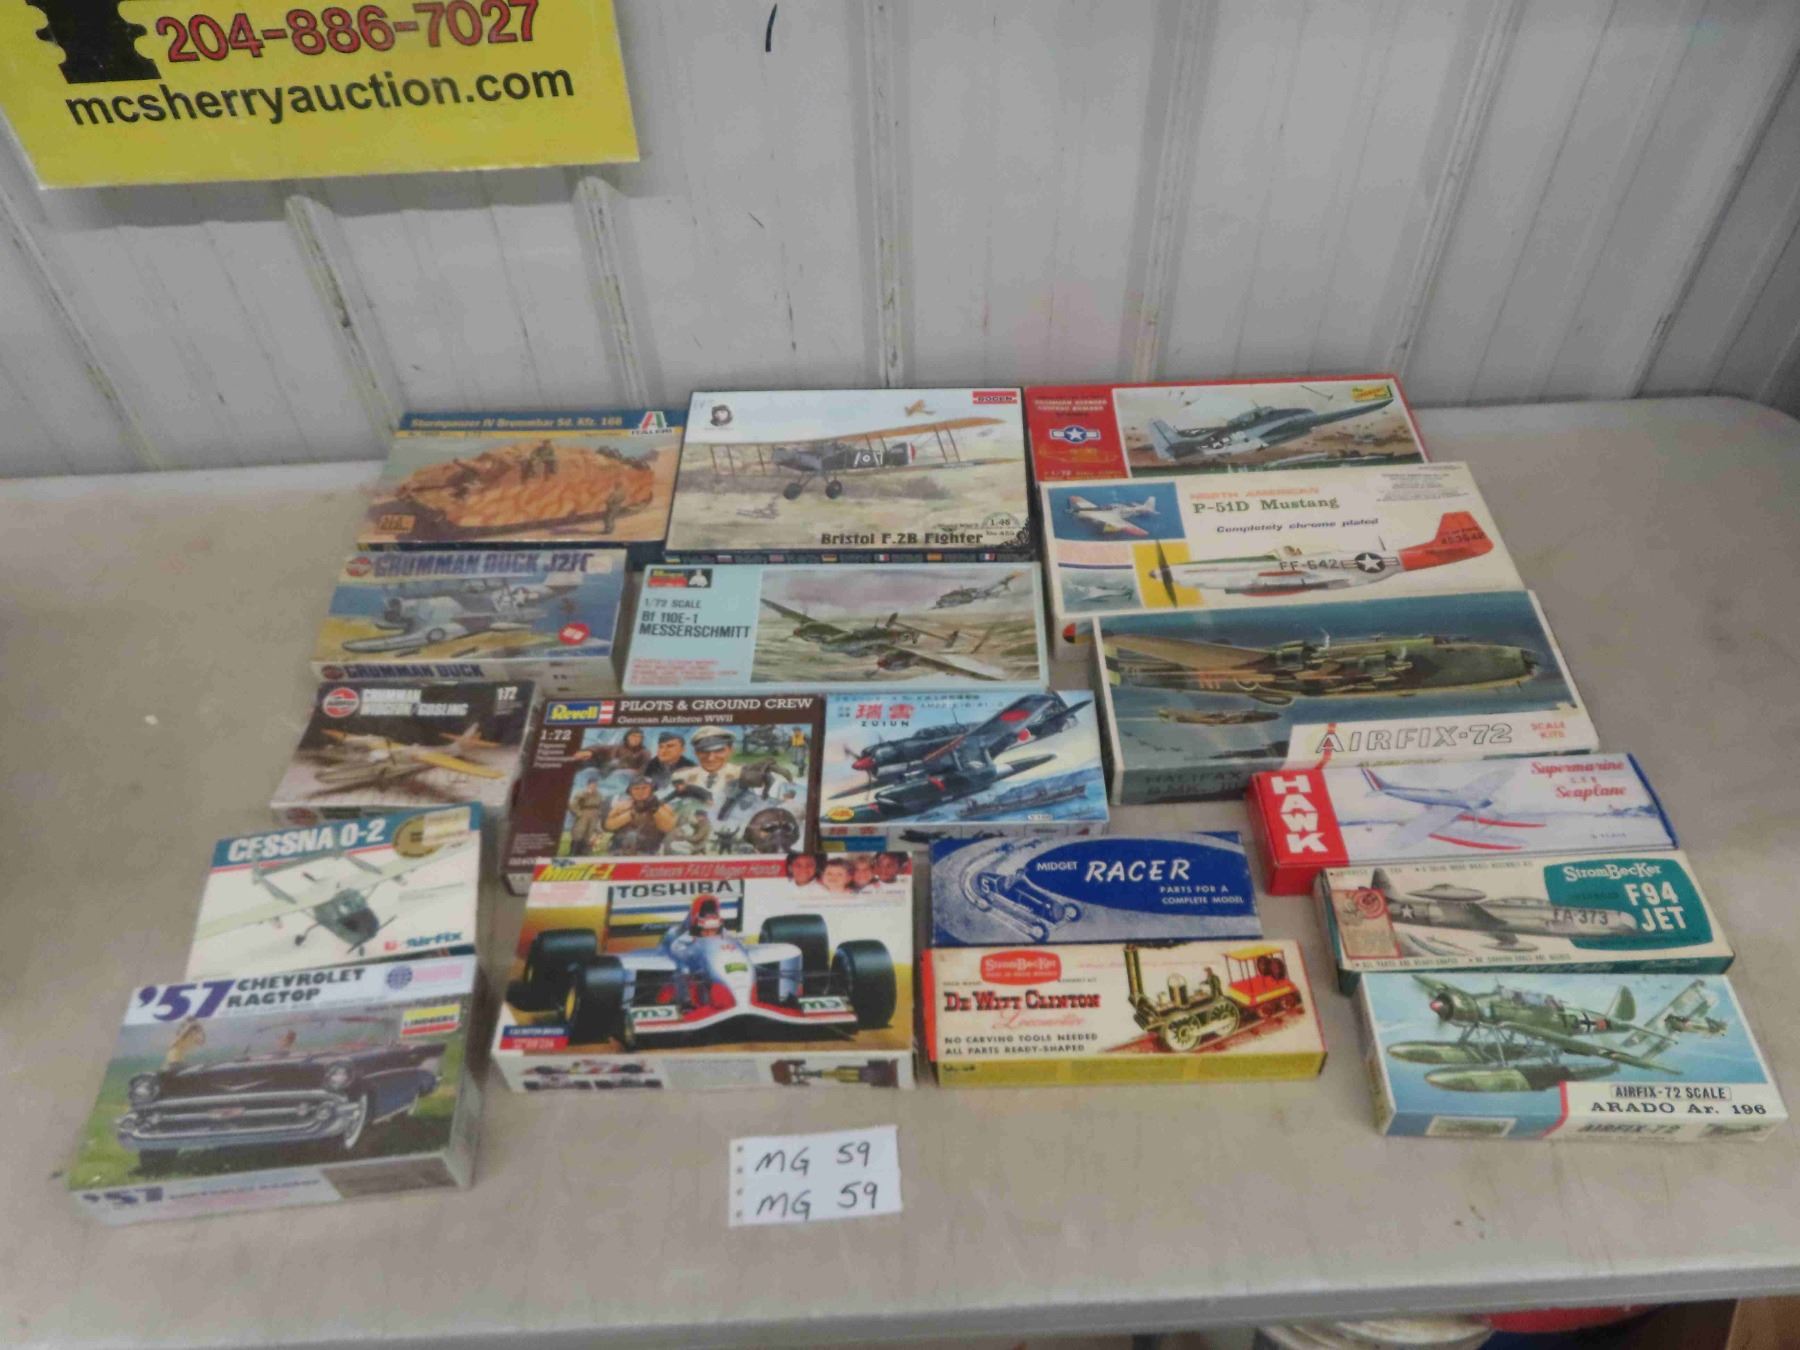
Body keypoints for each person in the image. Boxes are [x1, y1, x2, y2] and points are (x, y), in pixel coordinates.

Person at [604, 778, 676, 854]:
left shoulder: (663, 807)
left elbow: (669, 828)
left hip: (652, 849)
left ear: (651, 790)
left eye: (644, 788)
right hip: (623, 849)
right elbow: (609, 826)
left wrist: (655, 810)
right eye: (636, 789)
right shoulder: (622, 806)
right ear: (630, 791)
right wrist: (632, 814)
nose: (640, 792)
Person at [675, 726, 742, 800]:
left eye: (718, 751)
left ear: (731, 751)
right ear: (696, 753)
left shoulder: (742, 775)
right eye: (704, 752)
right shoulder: (681, 776)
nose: (710, 758)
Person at [567, 775, 607, 853]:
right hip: (584, 814)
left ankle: (585, 851)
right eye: (592, 784)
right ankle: (574, 851)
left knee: (590, 833)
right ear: (588, 785)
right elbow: (572, 804)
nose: (594, 786)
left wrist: (599, 813)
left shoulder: (599, 794)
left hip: (594, 815)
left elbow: (601, 804)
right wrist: (578, 812)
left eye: (595, 785)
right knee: (579, 832)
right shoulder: (582, 793)